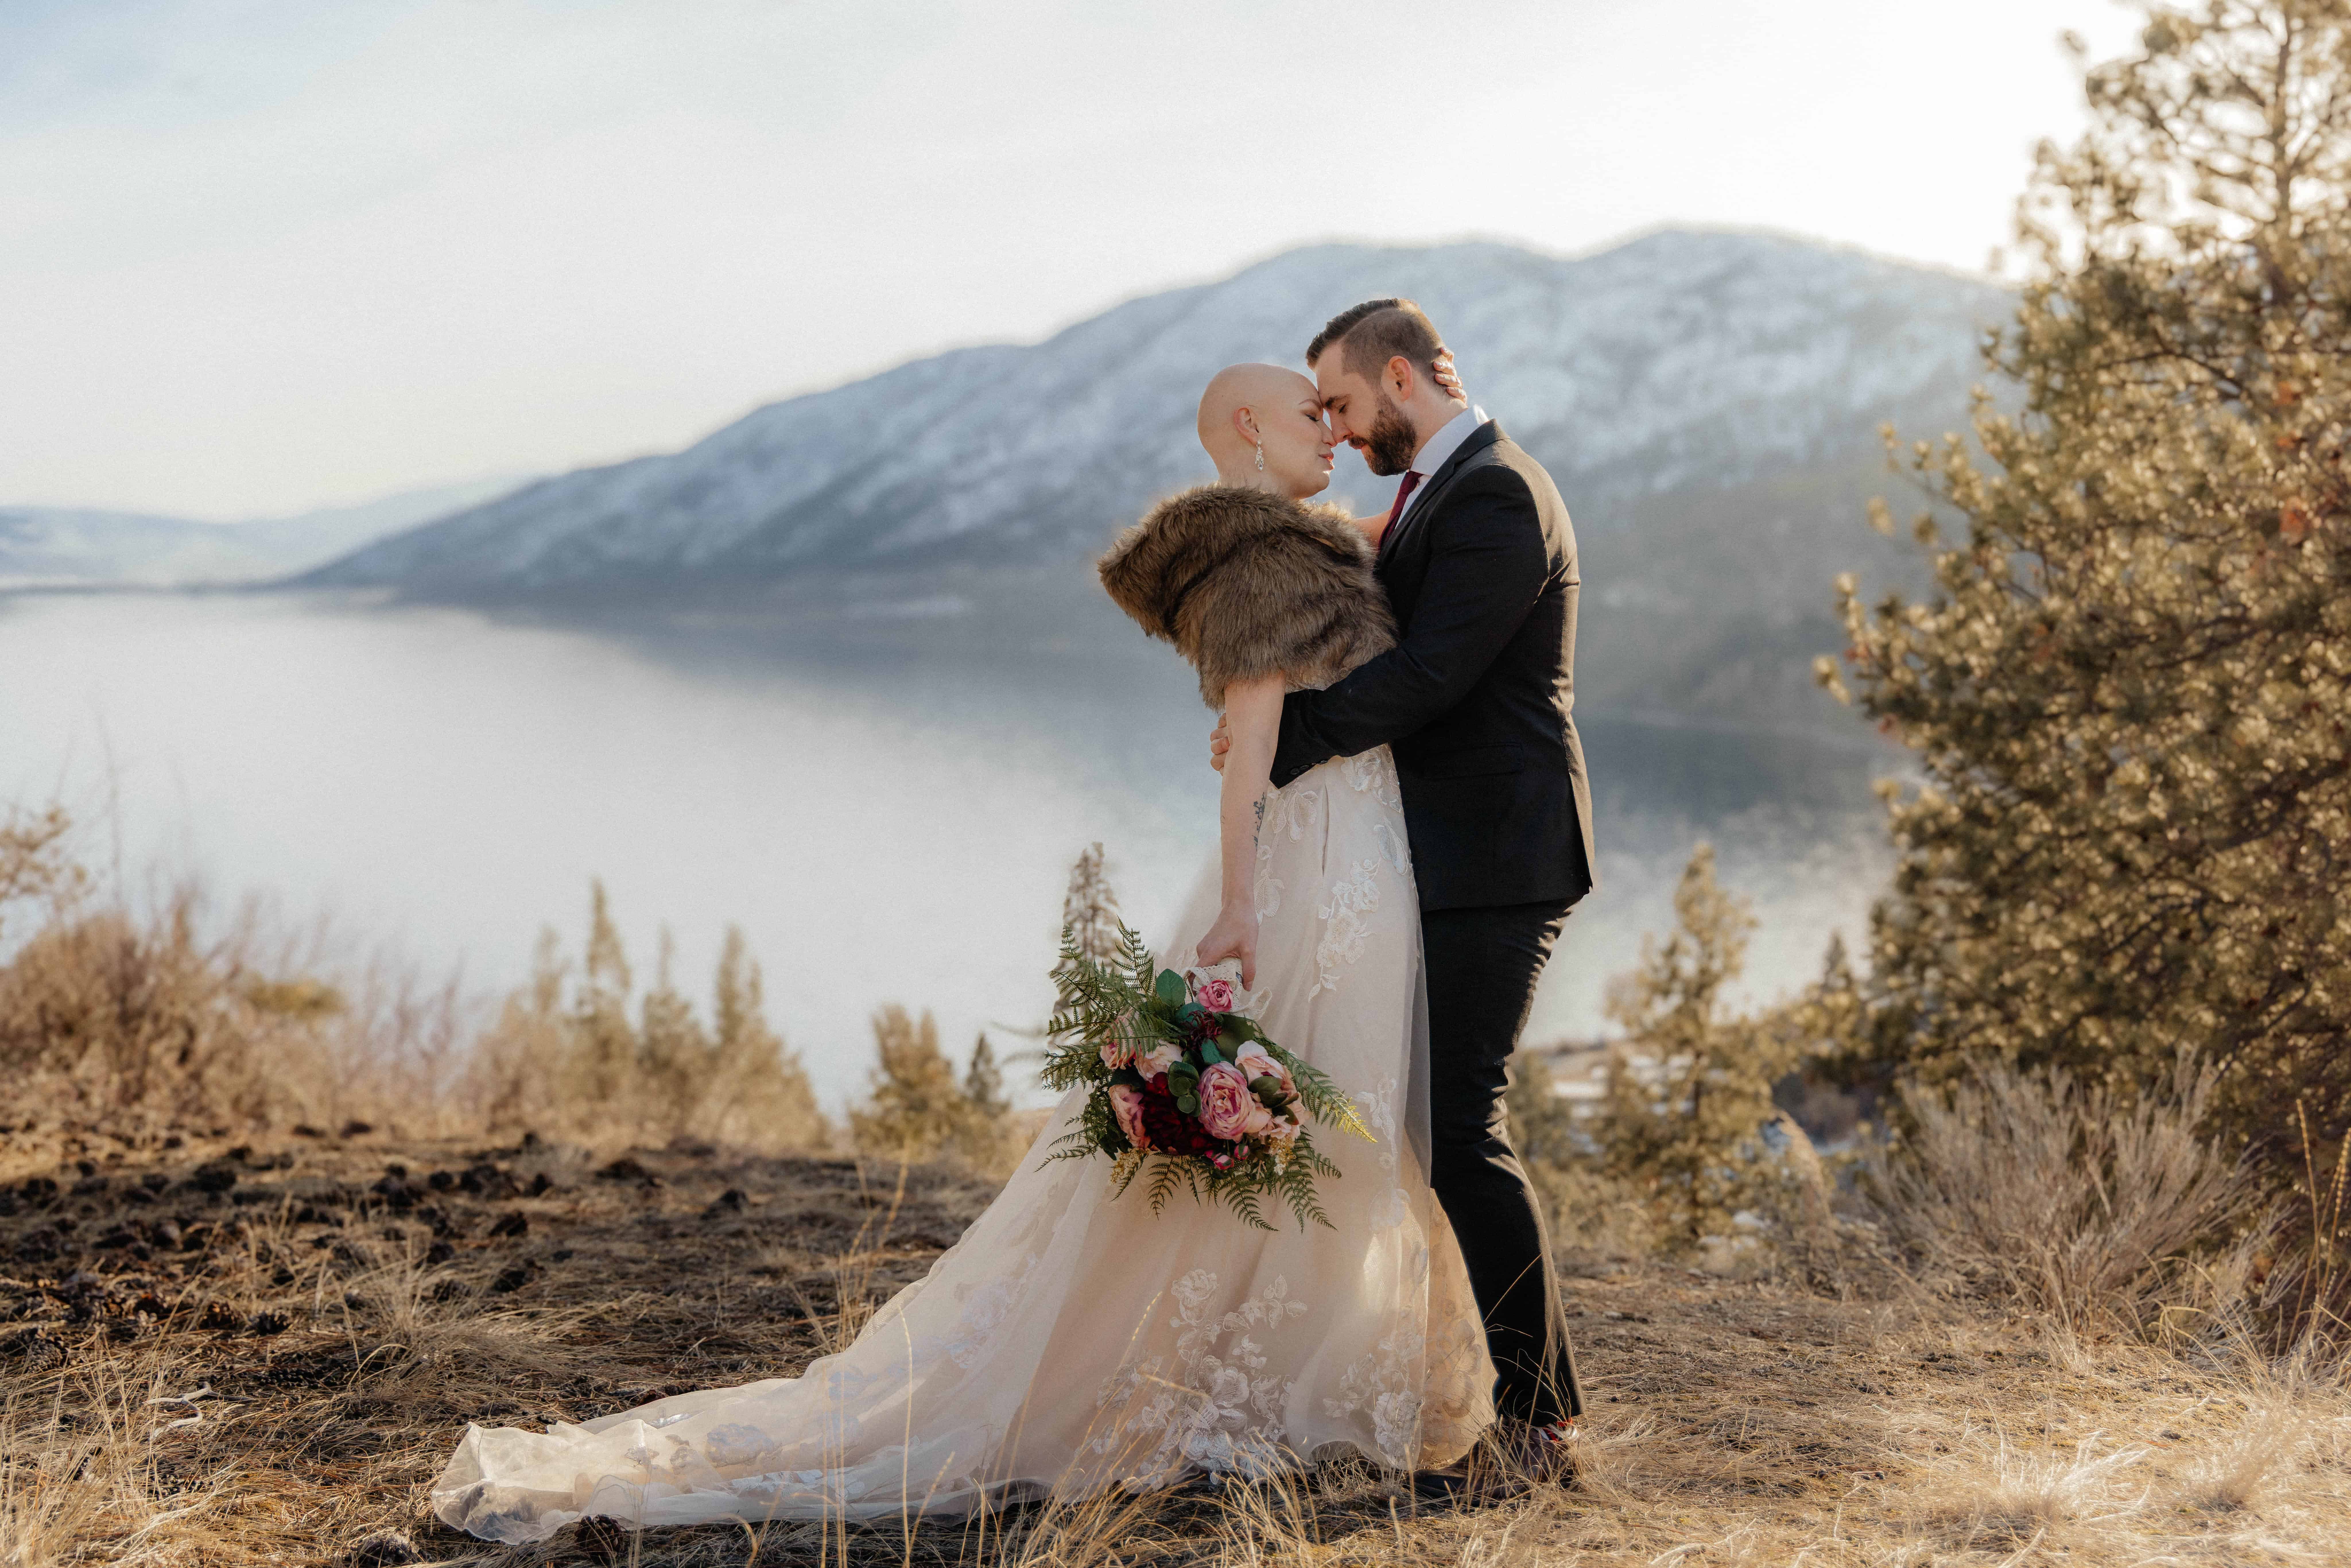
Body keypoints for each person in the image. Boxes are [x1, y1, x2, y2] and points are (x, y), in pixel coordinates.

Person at [428, 358, 1498, 1545]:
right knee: (1312, 1119)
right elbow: (1248, 746)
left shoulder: (1300, 541)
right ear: (1245, 427)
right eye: (1312, 416)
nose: (1334, 433)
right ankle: (1236, 1382)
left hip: (1359, 859)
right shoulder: (1256, 558)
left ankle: (1305, 1365)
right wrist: (1242, 906)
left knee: (1334, 1120)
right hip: (1306, 874)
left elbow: (1398, 544)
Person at [1212, 298, 1594, 1473]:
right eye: (1315, 410)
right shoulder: (1439, 488)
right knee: (1429, 1124)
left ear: (1397, 377)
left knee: (1459, 1129)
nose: (1331, 423)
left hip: (1496, 853)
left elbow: (1431, 676)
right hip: (1440, 851)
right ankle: (1460, 1386)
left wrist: (1284, 740)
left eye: (1336, 402)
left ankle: (1540, 1422)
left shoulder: (1494, 492)